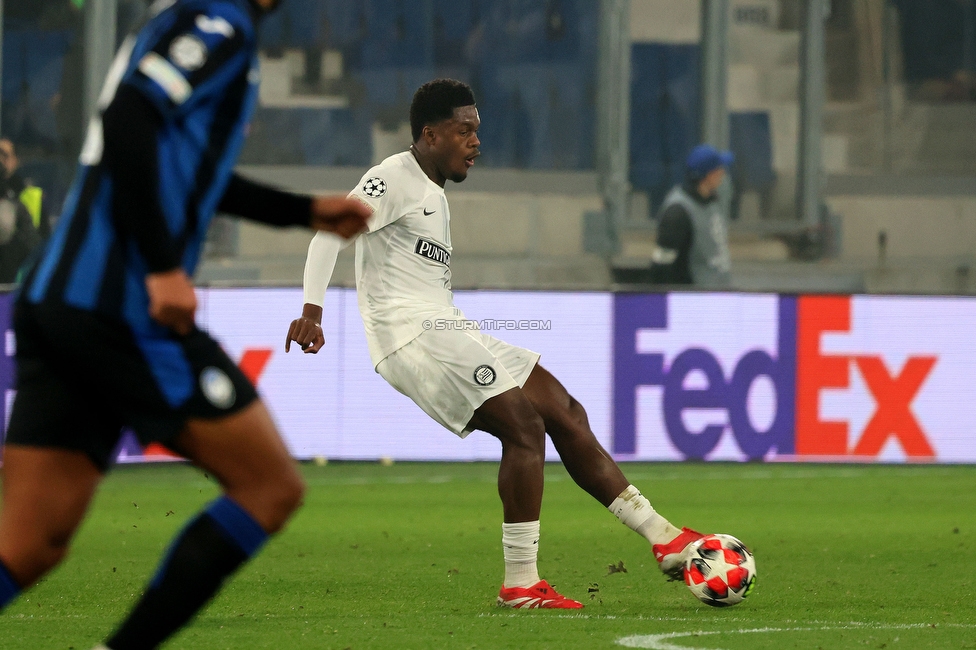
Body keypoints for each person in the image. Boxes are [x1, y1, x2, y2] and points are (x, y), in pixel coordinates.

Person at [0, 2, 370, 650]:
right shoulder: (216, 24)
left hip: (59, 304)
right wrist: (164, 268)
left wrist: (303, 211)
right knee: (270, 486)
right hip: (118, 311)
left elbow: (186, 170)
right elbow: (128, 117)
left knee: (30, 545)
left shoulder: (189, 21)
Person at [286, 79, 708, 609]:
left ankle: (662, 537)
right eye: (464, 131)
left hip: (446, 328)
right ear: (430, 134)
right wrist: (312, 311)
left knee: (564, 410)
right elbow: (329, 232)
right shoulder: (390, 178)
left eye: (477, 131)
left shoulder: (433, 192)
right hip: (411, 336)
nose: (475, 142)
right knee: (524, 426)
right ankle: (521, 583)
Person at [650, 144, 734, 288]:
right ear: (709, 175)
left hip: (717, 294)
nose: (723, 174)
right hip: (693, 298)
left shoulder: (712, 202)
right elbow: (662, 266)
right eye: (720, 169)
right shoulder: (677, 213)